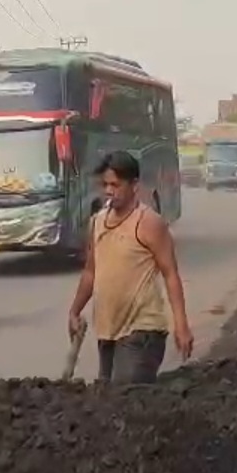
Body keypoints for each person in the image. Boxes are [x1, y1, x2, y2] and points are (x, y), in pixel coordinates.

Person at [67, 151, 193, 385]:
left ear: (134, 185)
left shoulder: (149, 222)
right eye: (105, 185)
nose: (108, 191)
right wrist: (74, 311)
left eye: (115, 184)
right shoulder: (97, 222)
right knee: (108, 401)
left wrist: (181, 325)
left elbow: (170, 274)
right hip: (108, 331)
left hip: (143, 331)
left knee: (126, 398)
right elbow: (90, 272)